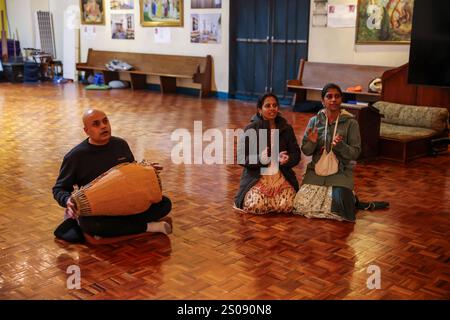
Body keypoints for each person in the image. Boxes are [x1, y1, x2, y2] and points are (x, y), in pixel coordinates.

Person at [52, 109, 172, 243]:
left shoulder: (120, 144)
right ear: (86, 131)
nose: (103, 126)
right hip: (100, 210)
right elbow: (59, 189)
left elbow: (130, 173)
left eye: (105, 121)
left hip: (126, 203)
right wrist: (67, 200)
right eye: (96, 124)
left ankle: (116, 228)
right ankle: (148, 226)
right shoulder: (75, 157)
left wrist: (146, 169)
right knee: (90, 223)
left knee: (165, 203)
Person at [293, 83, 388, 222]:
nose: (333, 100)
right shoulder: (314, 121)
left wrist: (341, 146)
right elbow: (306, 152)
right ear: (322, 101)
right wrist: (312, 142)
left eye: (337, 96)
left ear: (341, 100)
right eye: (329, 96)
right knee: (300, 205)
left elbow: (355, 153)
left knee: (341, 208)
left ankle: (351, 199)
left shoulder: (351, 123)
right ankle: (352, 199)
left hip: (340, 172)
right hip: (316, 172)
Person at [234, 93, 301, 214]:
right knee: (256, 206)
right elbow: (240, 158)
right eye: (267, 105)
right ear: (260, 110)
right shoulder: (251, 129)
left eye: (275, 105)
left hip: (280, 175)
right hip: (257, 176)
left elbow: (296, 154)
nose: (272, 108)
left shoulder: (286, 128)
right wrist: (260, 158)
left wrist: (287, 159)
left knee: (288, 206)